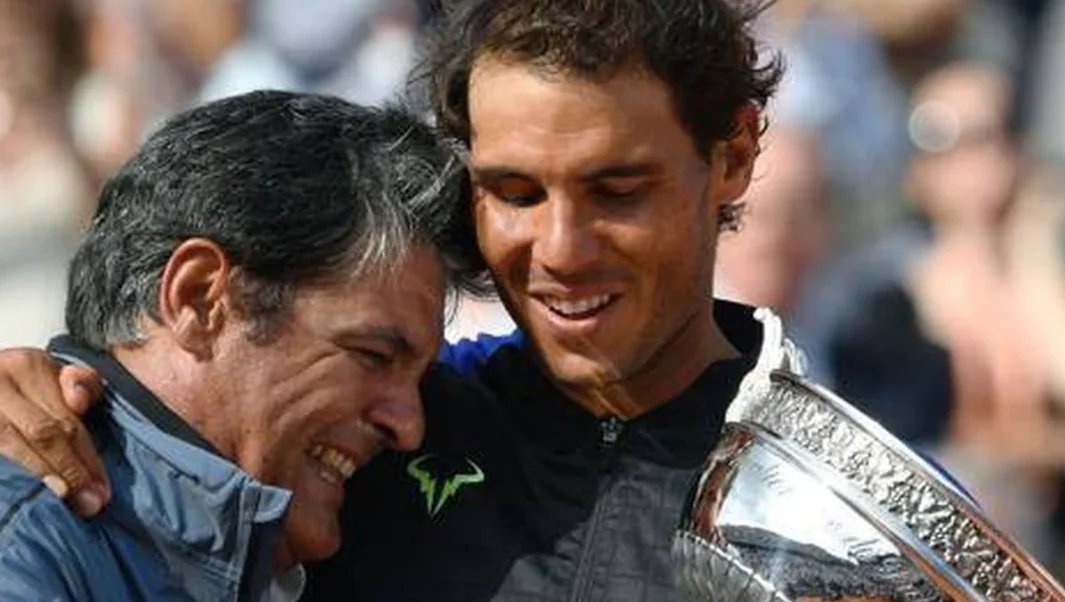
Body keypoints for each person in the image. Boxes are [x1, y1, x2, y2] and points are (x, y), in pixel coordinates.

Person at [0, 1, 792, 601]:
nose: (560, 249)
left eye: (617, 191)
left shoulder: (833, 514)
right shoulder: (361, 442)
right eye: (513, 193)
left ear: (734, 156)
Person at [0, 90, 484, 600]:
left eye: (418, 377)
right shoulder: (25, 548)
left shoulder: (296, 542)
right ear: (199, 298)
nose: (409, 428)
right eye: (374, 356)